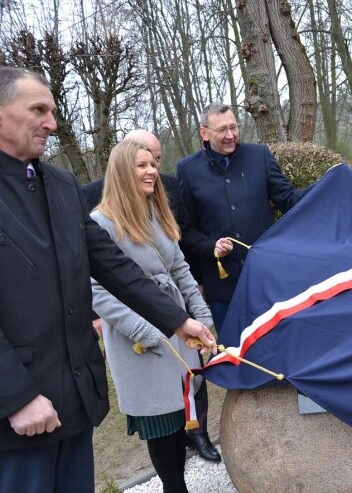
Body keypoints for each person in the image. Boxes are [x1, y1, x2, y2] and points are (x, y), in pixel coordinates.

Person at [0, 67, 215, 491]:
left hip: (76, 397)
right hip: (17, 414)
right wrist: (16, 396)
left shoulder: (61, 186)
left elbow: (113, 267)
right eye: (39, 110)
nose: (52, 123)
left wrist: (179, 320)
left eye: (54, 110)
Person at [83, 130, 220, 462]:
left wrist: (200, 317)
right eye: (140, 165)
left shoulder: (156, 214)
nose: (151, 171)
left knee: (182, 412)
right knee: (160, 424)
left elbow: (180, 269)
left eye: (152, 164)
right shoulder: (100, 223)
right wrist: (146, 331)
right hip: (140, 341)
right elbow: (97, 290)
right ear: (121, 172)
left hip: (177, 327)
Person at [176, 103, 310, 332]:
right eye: (222, 130)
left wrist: (325, 185)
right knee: (237, 355)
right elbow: (185, 231)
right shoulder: (187, 170)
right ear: (204, 132)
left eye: (233, 127)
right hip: (223, 289)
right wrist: (210, 247)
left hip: (267, 278)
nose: (230, 136)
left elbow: (288, 200)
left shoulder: (259, 156)